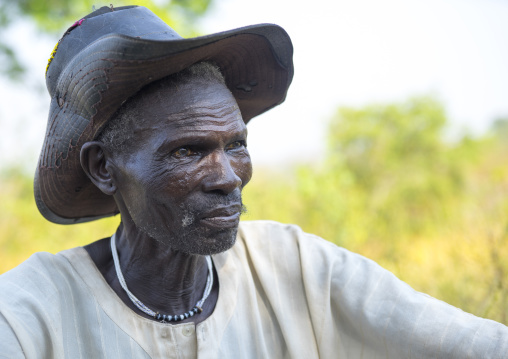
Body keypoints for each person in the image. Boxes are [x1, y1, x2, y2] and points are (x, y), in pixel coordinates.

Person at [0, 5, 507, 358]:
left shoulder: (295, 268)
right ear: (103, 169)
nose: (227, 178)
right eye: (187, 151)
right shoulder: (27, 317)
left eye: (236, 145)